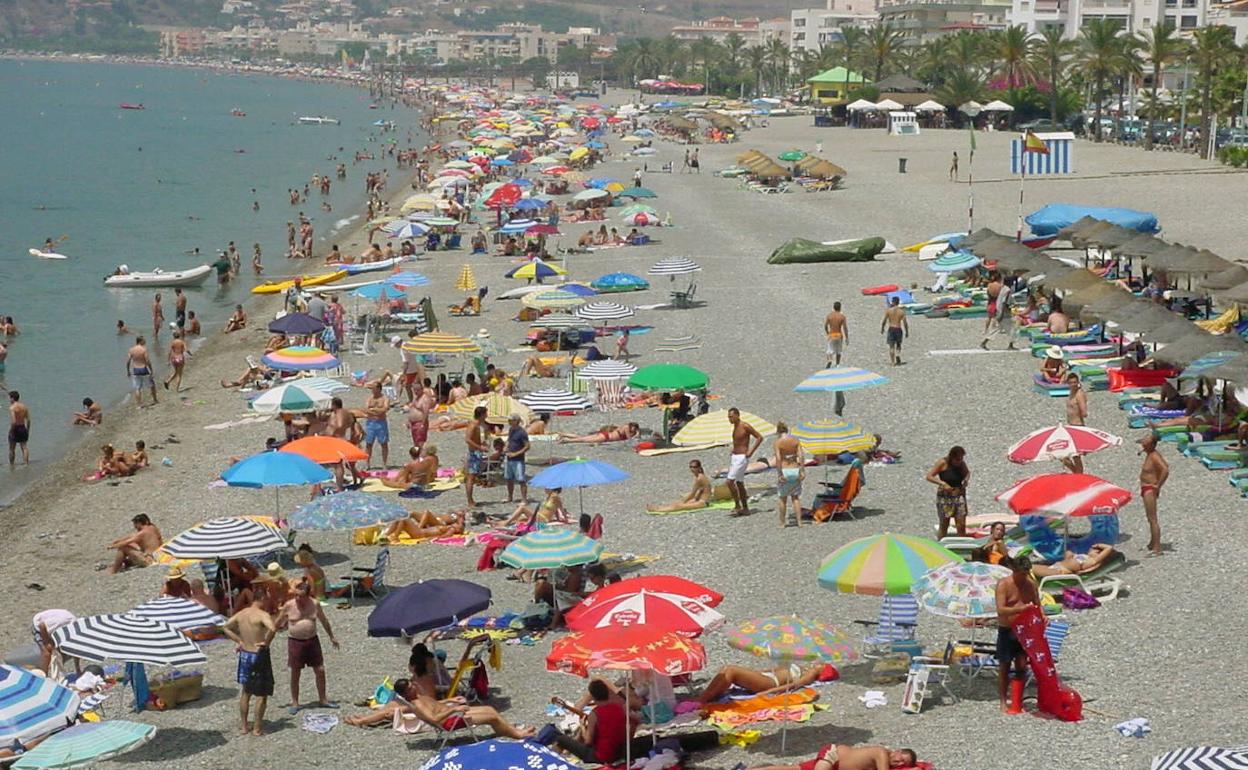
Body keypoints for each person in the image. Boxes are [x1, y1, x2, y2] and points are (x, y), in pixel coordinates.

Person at [343, 678, 534, 737]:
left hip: (449, 714)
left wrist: (452, 700)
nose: (415, 686)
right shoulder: (416, 704)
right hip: (448, 722)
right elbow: (435, 719)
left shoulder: (419, 697)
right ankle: (518, 735)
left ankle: (512, 730)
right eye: (411, 687)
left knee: (492, 711)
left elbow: (436, 705)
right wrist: (454, 709)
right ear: (406, 694)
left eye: (413, 684)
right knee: (491, 716)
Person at [276, 576, 340, 714]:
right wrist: (266, 641)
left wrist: (332, 637)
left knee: (320, 670)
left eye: (301, 597)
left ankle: (323, 699)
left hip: (312, 640)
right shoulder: (289, 605)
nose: (298, 599)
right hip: (295, 641)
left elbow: (324, 620)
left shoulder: (315, 604)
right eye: (296, 596)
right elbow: (276, 624)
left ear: (307, 595)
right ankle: (295, 702)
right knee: (295, 672)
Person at [540, 678, 636, 764]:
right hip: (620, 752)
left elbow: (588, 742)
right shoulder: (620, 708)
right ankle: (566, 753)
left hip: (601, 757)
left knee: (561, 739)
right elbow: (633, 723)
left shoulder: (595, 714)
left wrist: (582, 726)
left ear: (593, 697)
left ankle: (547, 763)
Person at [223, 596, 278, 736]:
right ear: (262, 599)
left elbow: (226, 627)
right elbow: (273, 628)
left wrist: (239, 640)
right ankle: (257, 728)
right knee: (262, 694)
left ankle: (244, 726)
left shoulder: (242, 613)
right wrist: (266, 642)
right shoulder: (262, 615)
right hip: (258, 654)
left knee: (246, 691)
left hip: (245, 654)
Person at [995, 554, 1040, 712]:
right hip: (1007, 628)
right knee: (1004, 666)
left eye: (1026, 574)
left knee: (1021, 665)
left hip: (1025, 630)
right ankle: (1002, 700)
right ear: (1014, 570)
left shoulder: (1030, 584)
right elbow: (1000, 610)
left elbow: (1037, 606)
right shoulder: (1004, 584)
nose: (1024, 577)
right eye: (1021, 574)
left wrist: (1043, 618)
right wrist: (1020, 609)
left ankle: (1017, 699)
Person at [695, 662, 836, 703]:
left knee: (731, 670)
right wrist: (754, 672)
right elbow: (775, 668)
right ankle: (707, 697)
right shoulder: (806, 668)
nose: (819, 662)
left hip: (770, 683)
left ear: (822, 671)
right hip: (766, 676)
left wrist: (766, 693)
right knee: (726, 669)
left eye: (822, 664)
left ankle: (701, 700)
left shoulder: (811, 674)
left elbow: (794, 685)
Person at [749, 745, 918, 770]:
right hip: (833, 755)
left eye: (904, 763)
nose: (899, 762)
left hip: (835, 764)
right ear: (895, 751)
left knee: (794, 769)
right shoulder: (881, 753)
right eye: (901, 757)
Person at [726, 408, 764, 517]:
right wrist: (733, 448)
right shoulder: (735, 427)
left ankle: (737, 506)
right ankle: (745, 508)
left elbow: (759, 437)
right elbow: (739, 441)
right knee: (739, 483)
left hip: (742, 458)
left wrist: (751, 451)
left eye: (731, 416)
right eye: (729, 417)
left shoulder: (745, 426)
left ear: (737, 415)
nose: (730, 419)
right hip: (735, 456)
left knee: (729, 482)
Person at [927, 446, 970, 538]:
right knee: (944, 524)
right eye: (957, 459)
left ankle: (962, 545)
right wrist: (942, 483)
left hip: (959, 495)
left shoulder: (961, 464)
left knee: (961, 524)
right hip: (945, 497)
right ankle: (941, 545)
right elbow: (929, 476)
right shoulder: (942, 463)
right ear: (952, 457)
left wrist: (965, 481)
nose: (959, 461)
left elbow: (967, 473)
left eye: (961, 459)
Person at [1139, 433, 1169, 556]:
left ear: (1151, 444)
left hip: (1150, 488)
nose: (1143, 444)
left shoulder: (1154, 456)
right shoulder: (1149, 454)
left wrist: (1158, 485)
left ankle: (1157, 548)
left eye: (1145, 442)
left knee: (1153, 519)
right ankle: (1152, 542)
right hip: (1147, 488)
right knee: (1149, 518)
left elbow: (1165, 469)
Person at [646, 459, 712, 513]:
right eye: (690, 467)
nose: (692, 469)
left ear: (699, 468)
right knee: (676, 503)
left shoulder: (700, 478)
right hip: (701, 500)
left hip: (703, 503)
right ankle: (660, 507)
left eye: (694, 467)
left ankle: (658, 510)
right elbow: (701, 491)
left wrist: (683, 501)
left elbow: (692, 494)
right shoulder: (700, 476)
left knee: (678, 506)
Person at [773, 422, 805, 527]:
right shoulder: (795, 440)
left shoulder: (778, 442)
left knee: (782, 498)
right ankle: (799, 522)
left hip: (785, 469)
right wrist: (802, 470)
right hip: (795, 469)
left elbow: (778, 458)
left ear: (778, 431)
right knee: (795, 498)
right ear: (787, 430)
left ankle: (782, 523)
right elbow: (801, 456)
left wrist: (779, 473)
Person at [31, 609, 76, 677]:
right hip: (39, 626)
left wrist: (78, 669)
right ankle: (43, 676)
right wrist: (47, 643)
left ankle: (57, 673)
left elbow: (76, 652)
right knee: (47, 652)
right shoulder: (63, 622)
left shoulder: (73, 630)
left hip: (52, 629)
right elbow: (42, 626)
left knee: (60, 653)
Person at [1031, 544, 1118, 576]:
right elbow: (1067, 560)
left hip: (1059, 571)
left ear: (1099, 554)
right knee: (1026, 567)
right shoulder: (1084, 557)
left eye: (1096, 549)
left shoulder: (1091, 562)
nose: (1092, 548)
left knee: (1028, 568)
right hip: (1055, 567)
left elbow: (1109, 548)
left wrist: (1099, 545)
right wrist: (1069, 554)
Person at [384, 510, 465, 541]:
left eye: (458, 525)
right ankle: (386, 534)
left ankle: (395, 536)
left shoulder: (451, 529)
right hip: (419, 532)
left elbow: (445, 536)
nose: (456, 524)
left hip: (419, 533)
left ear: (458, 530)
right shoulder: (449, 527)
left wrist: (432, 539)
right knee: (401, 518)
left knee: (403, 519)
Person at [464, 405, 488, 507]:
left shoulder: (478, 424)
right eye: (486, 413)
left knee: (473, 477)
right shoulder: (473, 425)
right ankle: (470, 501)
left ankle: (471, 500)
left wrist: (481, 444)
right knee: (471, 477)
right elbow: (467, 439)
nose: (487, 415)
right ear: (482, 415)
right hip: (474, 453)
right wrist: (480, 447)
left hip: (476, 452)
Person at [363, 381, 391, 468]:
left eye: (374, 388)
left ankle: (384, 463)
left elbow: (385, 409)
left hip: (381, 423)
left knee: (384, 443)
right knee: (368, 444)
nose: (372, 390)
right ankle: (367, 463)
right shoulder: (369, 398)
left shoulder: (384, 398)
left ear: (379, 389)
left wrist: (373, 410)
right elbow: (365, 410)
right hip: (370, 423)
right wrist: (377, 411)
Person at [504, 414, 529, 503]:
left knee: (521, 479)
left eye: (510, 420)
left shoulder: (522, 432)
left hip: (518, 459)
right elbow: (509, 440)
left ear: (516, 421)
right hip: (509, 458)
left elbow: (527, 446)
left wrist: (516, 454)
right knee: (509, 479)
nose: (509, 422)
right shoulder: (511, 430)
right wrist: (506, 447)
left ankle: (524, 499)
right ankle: (510, 497)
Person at [127, 337, 158, 407]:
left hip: (135, 370)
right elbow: (147, 361)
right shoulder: (144, 349)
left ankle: (139, 405)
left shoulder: (131, 350)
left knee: (137, 388)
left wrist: (128, 371)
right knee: (152, 385)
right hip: (143, 369)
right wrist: (151, 370)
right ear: (140, 341)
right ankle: (155, 400)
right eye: (144, 340)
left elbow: (128, 361)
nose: (145, 341)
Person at [880, 297, 909, 366]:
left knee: (891, 346)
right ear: (898, 302)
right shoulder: (901, 312)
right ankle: (898, 354)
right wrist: (907, 332)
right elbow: (905, 323)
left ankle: (893, 362)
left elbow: (884, 321)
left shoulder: (889, 311)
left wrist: (882, 328)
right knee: (898, 345)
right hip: (898, 329)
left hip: (891, 328)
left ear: (892, 302)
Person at [558, 423, 639, 444]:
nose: (633, 430)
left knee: (584, 437)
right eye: (633, 428)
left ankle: (565, 435)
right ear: (631, 425)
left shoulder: (626, 428)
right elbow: (629, 438)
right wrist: (636, 434)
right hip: (606, 437)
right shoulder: (626, 427)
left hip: (605, 435)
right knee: (584, 440)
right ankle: (567, 440)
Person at [8, 391, 29, 466]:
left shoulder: (12, 408)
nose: (9, 400)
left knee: (12, 448)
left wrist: (11, 430)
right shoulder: (24, 406)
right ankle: (26, 464)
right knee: (24, 447)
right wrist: (27, 429)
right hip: (23, 427)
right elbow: (28, 419)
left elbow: (14, 421)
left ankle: (12, 465)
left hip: (15, 428)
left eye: (10, 398)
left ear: (13, 398)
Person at [824, 301, 848, 367]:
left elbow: (825, 326)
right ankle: (837, 364)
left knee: (830, 350)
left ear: (833, 308)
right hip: (839, 335)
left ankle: (830, 360)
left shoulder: (829, 316)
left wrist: (827, 333)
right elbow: (845, 328)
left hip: (831, 335)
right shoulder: (842, 317)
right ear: (840, 308)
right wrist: (847, 338)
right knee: (839, 351)